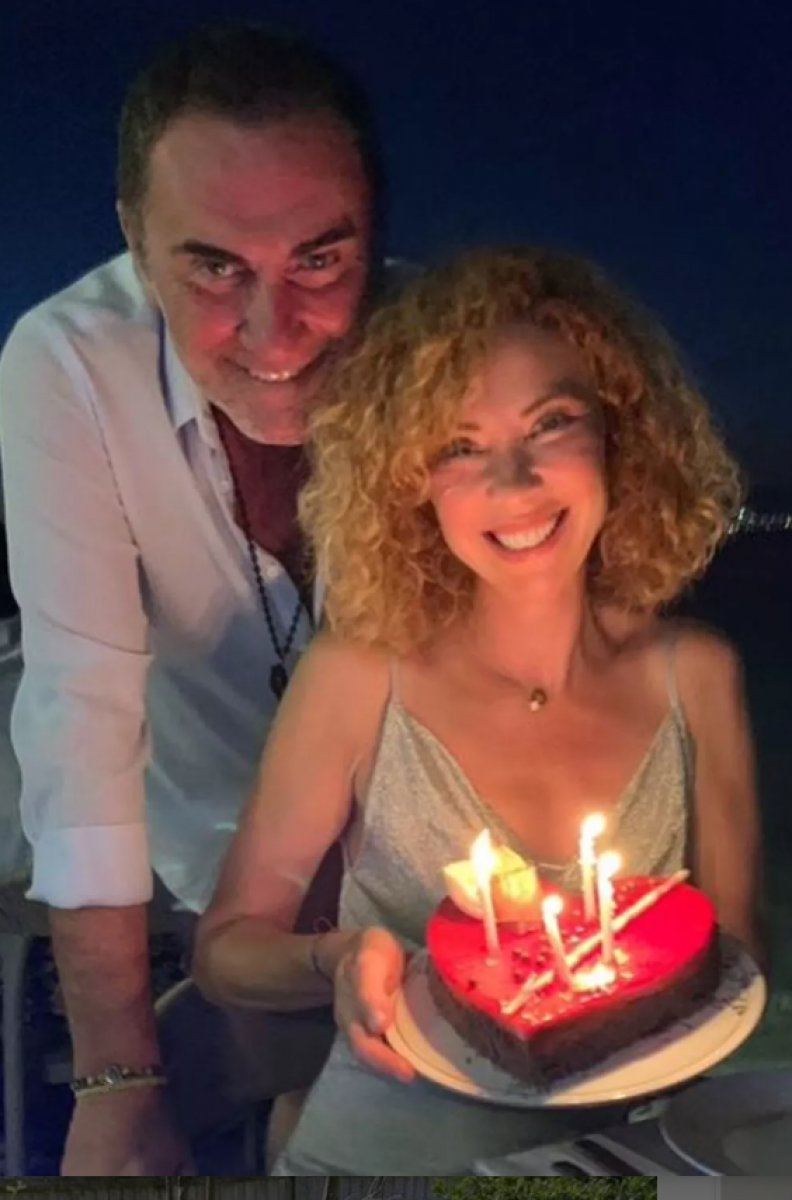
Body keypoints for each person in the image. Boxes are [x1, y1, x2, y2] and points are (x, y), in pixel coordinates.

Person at [195, 246, 765, 1174]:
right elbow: (225, 951)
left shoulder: (697, 676)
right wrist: (337, 959)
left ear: (619, 434)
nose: (514, 483)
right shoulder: (357, 675)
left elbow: (735, 964)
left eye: (552, 423)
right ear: (409, 478)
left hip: (623, 1162)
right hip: (389, 1161)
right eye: (459, 447)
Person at [0, 23, 388, 1175]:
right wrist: (117, 1081)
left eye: (320, 260)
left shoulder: (431, 352)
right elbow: (80, 711)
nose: (274, 331)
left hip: (407, 875)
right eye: (214, 267)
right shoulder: (66, 364)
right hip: (194, 844)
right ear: (132, 236)